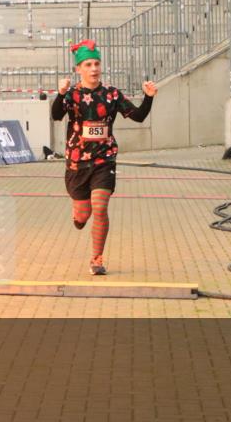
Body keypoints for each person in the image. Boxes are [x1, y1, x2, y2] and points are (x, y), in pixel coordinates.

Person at [51, 40, 156, 276]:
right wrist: (60, 94)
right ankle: (78, 217)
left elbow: (137, 116)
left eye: (96, 63)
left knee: (100, 208)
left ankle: (96, 259)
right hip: (77, 163)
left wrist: (148, 97)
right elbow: (56, 115)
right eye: (88, 64)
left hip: (104, 160)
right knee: (83, 214)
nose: (93, 68)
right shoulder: (73, 95)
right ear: (79, 69)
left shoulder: (111, 94)